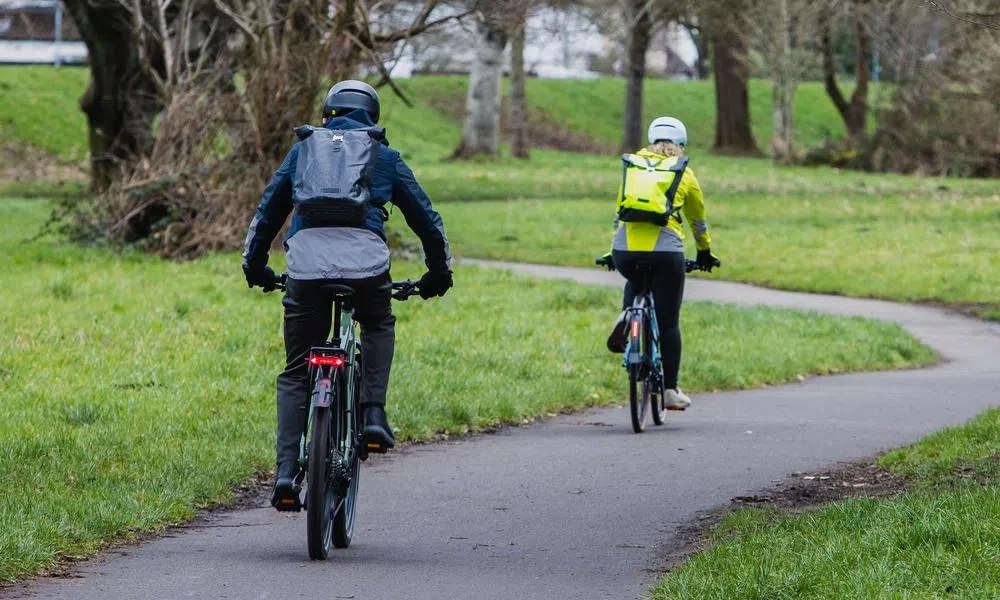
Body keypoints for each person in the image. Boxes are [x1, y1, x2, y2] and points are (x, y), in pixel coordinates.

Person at [241, 80, 453, 509]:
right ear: (373, 117)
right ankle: (373, 415)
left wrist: (256, 267)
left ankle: (285, 472)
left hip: (305, 268)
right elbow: (426, 220)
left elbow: (268, 212)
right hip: (366, 268)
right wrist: (437, 274)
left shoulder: (303, 151)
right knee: (377, 321)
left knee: (299, 368)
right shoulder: (385, 156)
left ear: (327, 115)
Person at [606, 116, 720, 410]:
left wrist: (612, 252)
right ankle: (670, 391)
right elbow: (697, 220)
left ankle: (626, 317)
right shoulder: (685, 172)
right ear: (681, 144)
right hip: (666, 252)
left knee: (635, 278)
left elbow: (622, 212)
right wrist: (705, 251)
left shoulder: (632, 165)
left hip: (625, 250)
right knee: (668, 324)